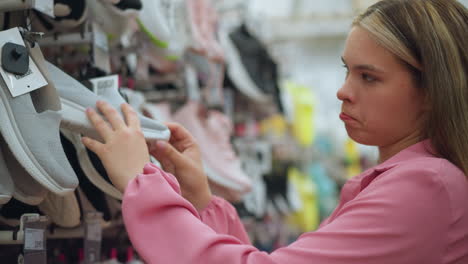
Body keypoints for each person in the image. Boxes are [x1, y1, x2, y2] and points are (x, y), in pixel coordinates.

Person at [81, 0, 468, 263]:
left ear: (432, 91)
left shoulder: (428, 186)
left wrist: (141, 180)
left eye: (369, 77)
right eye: (347, 70)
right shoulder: (416, 179)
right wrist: (201, 200)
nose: (343, 91)